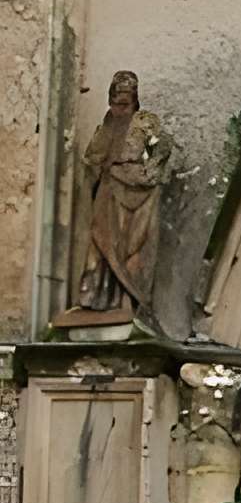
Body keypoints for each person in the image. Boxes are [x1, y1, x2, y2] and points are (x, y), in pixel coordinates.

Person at [73, 70, 172, 322]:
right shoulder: (106, 125)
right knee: (100, 240)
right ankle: (96, 298)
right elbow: (92, 156)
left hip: (137, 191)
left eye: (125, 104)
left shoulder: (144, 121)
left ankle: (126, 299)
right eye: (116, 103)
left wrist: (148, 171)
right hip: (109, 189)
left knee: (130, 247)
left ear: (134, 101)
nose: (120, 109)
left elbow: (163, 147)